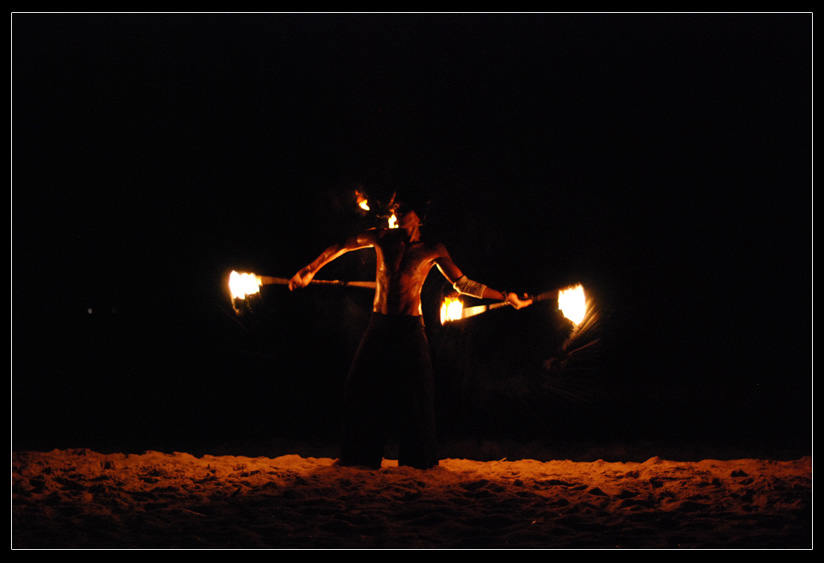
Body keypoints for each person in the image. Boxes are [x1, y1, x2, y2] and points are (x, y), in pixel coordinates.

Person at [289, 200, 532, 469]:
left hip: (410, 328)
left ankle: (418, 462)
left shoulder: (432, 249)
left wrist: (505, 296)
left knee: (418, 395)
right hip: (379, 325)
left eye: (403, 209)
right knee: (358, 387)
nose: (397, 213)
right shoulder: (382, 237)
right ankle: (359, 457)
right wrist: (310, 269)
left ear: (419, 217)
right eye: (396, 209)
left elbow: (463, 284)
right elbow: (343, 245)